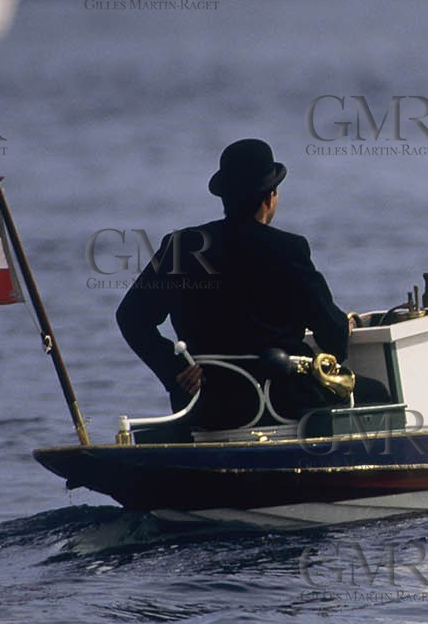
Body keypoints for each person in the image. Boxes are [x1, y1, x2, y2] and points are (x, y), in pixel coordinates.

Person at [117, 137, 368, 421]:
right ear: (270, 197)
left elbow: (130, 317)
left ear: (224, 198)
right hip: (283, 406)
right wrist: (343, 325)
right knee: (378, 393)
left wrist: (174, 370)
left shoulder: (181, 246)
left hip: (207, 408)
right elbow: (334, 340)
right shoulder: (289, 249)